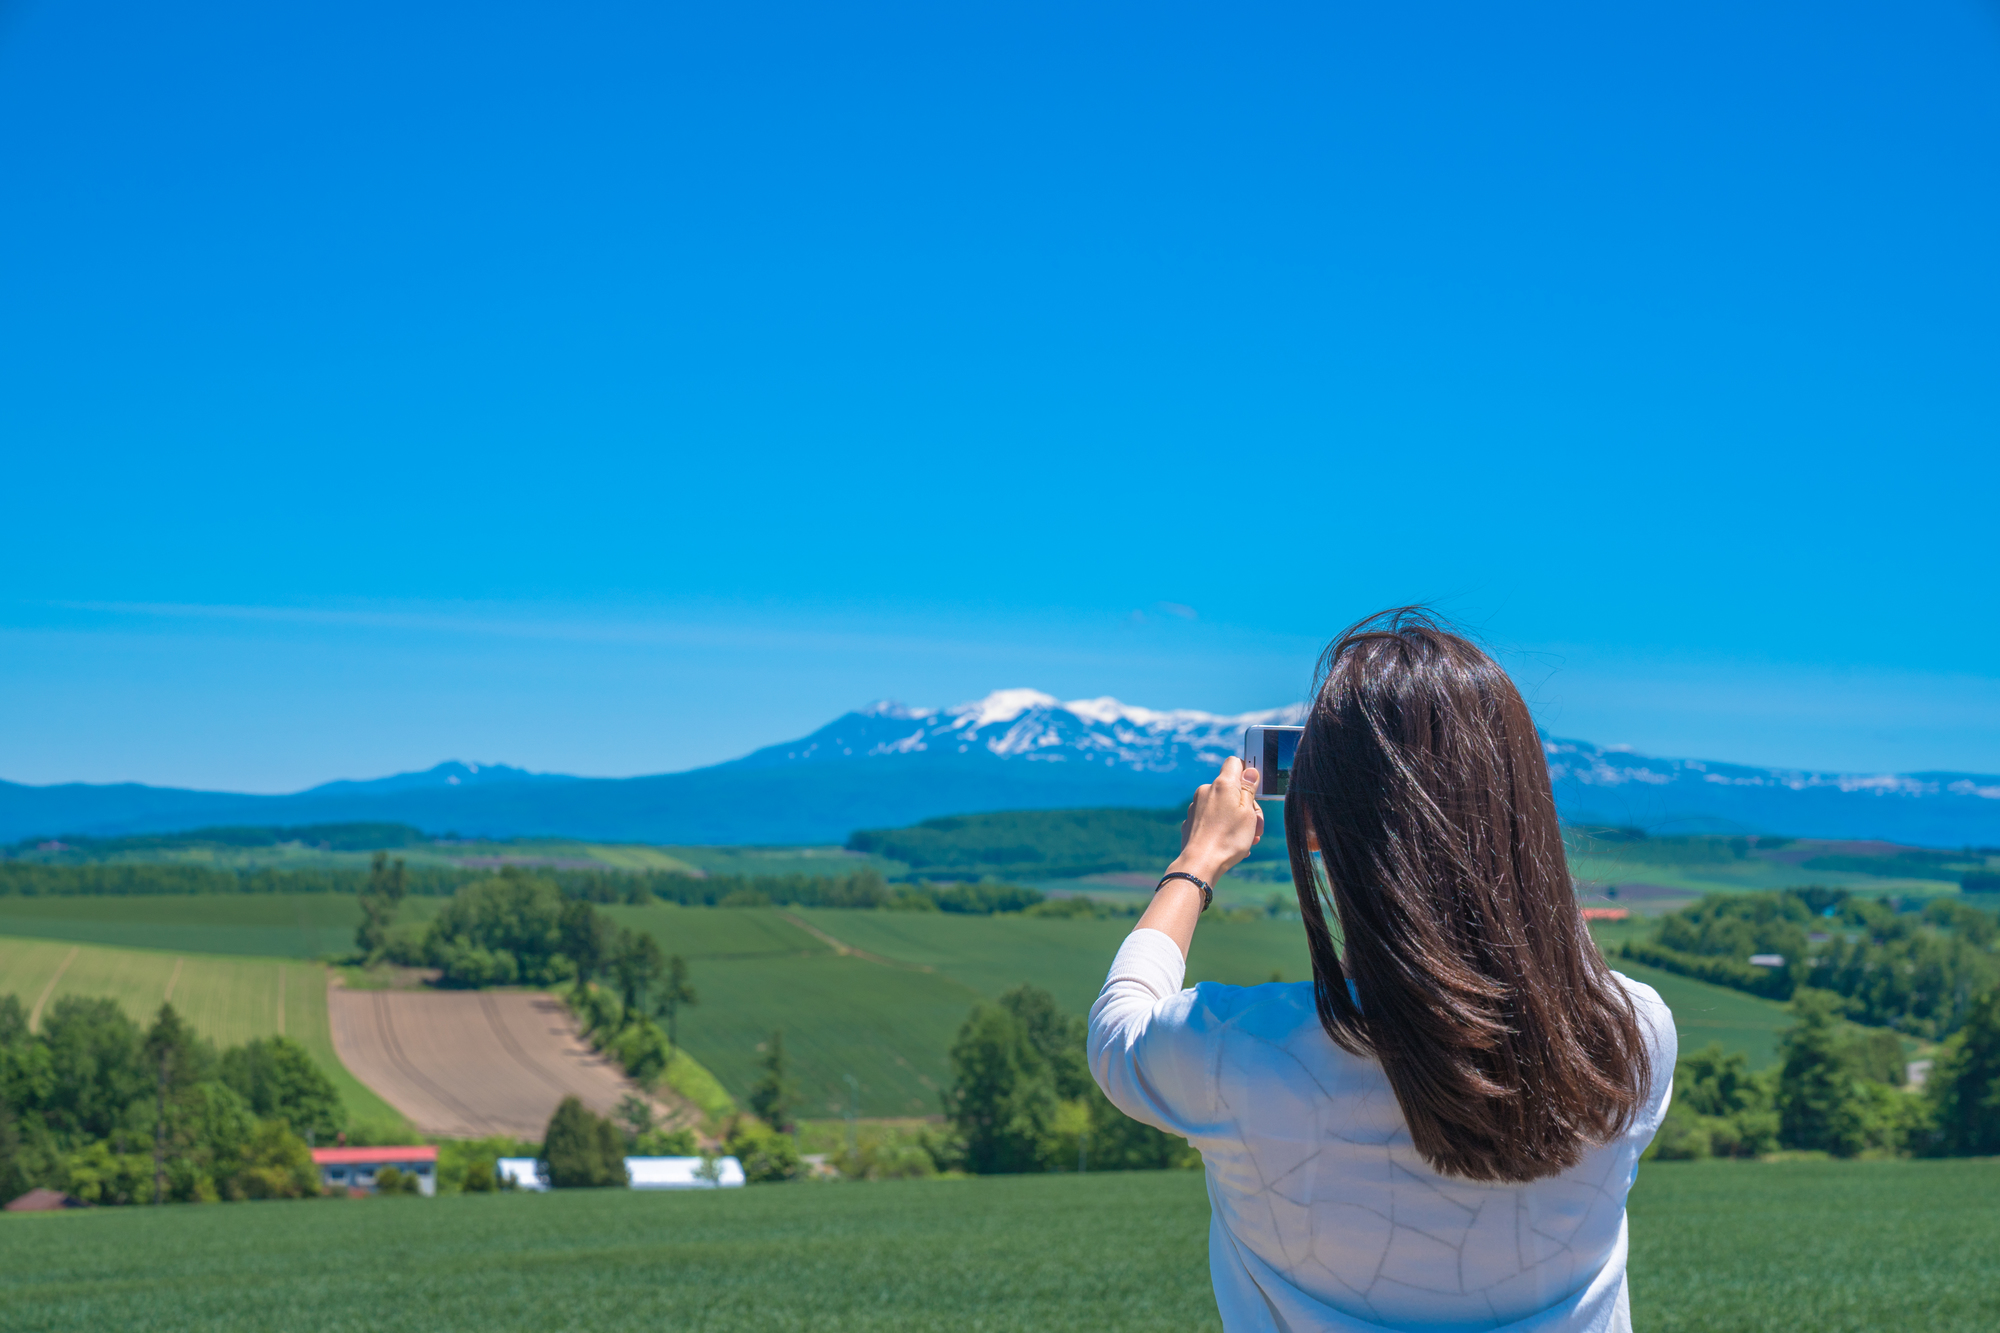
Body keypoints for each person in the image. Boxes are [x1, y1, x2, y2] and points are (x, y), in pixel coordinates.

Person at [1090, 609, 1673, 1333]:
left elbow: (1118, 1027)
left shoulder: (1237, 1052)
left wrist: (1196, 861)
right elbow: (1532, 960)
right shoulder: (1632, 1036)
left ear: (1314, 822)